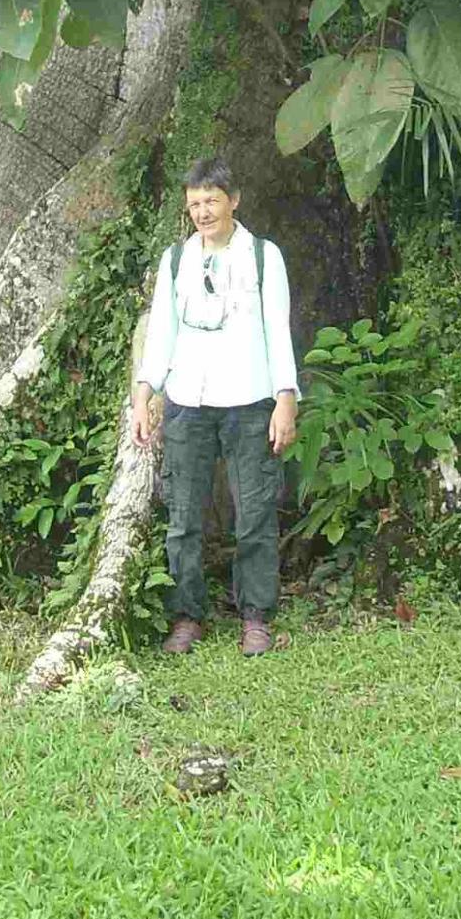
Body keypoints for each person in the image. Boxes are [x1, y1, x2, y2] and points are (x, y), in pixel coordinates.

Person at [132, 155, 298, 656]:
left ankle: (256, 617)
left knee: (254, 513)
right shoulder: (176, 261)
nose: (203, 212)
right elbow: (162, 331)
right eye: (195, 204)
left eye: (211, 201)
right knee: (183, 517)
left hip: (249, 401)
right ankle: (187, 616)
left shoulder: (264, 257)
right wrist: (144, 396)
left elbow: (278, 332)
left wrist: (285, 399)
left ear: (234, 201)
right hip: (187, 403)